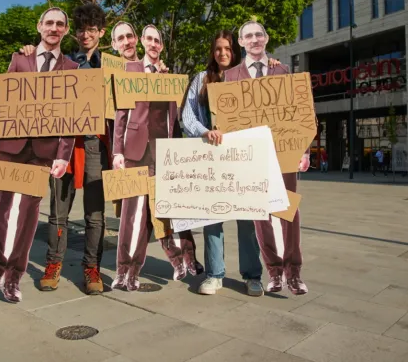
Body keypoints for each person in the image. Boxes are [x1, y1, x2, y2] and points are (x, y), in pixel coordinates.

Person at [0, 7, 78, 303]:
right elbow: (3, 102)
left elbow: (70, 116)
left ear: (65, 30)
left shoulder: (72, 69)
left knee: (28, 216)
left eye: (60, 24)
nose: (54, 27)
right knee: (3, 210)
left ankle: (14, 278)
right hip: (11, 146)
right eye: (49, 22)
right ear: (39, 26)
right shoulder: (19, 59)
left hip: (44, 153)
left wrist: (64, 155)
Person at [19, 4, 112, 295]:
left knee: (95, 214)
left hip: (96, 143)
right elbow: (34, 84)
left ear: (101, 32)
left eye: (92, 29)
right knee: (58, 211)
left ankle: (91, 266)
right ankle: (53, 264)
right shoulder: (61, 62)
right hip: (66, 144)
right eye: (82, 29)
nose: (86, 34)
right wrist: (28, 53)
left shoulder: (112, 66)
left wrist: (157, 69)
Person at [182, 30, 281, 297]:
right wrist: (204, 131)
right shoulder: (201, 79)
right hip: (212, 157)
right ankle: (214, 275)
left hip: (244, 159)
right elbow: (187, 116)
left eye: (227, 48)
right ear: (212, 52)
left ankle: (252, 276)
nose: (222, 53)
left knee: (248, 219)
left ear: (235, 51)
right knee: (212, 219)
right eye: (218, 49)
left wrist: (273, 65)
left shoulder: (250, 75)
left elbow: (274, 93)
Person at [111, 24, 203, 291]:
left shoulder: (169, 77)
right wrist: (117, 151)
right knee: (133, 216)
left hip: (165, 153)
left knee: (172, 209)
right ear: (142, 42)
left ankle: (184, 259)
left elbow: (175, 119)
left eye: (157, 40)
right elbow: (121, 115)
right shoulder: (129, 72)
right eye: (148, 39)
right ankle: (126, 270)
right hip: (135, 153)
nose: (152, 44)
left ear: (161, 46)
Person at [224, 20, 310, 296]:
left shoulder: (282, 70)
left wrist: (304, 149)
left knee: (289, 212)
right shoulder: (231, 77)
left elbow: (300, 112)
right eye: (248, 36)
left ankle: (294, 273)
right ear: (241, 42)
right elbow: (227, 121)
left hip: (283, 151)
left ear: (267, 38)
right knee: (260, 215)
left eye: (258, 34)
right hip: (251, 157)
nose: (254, 39)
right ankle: (273, 271)